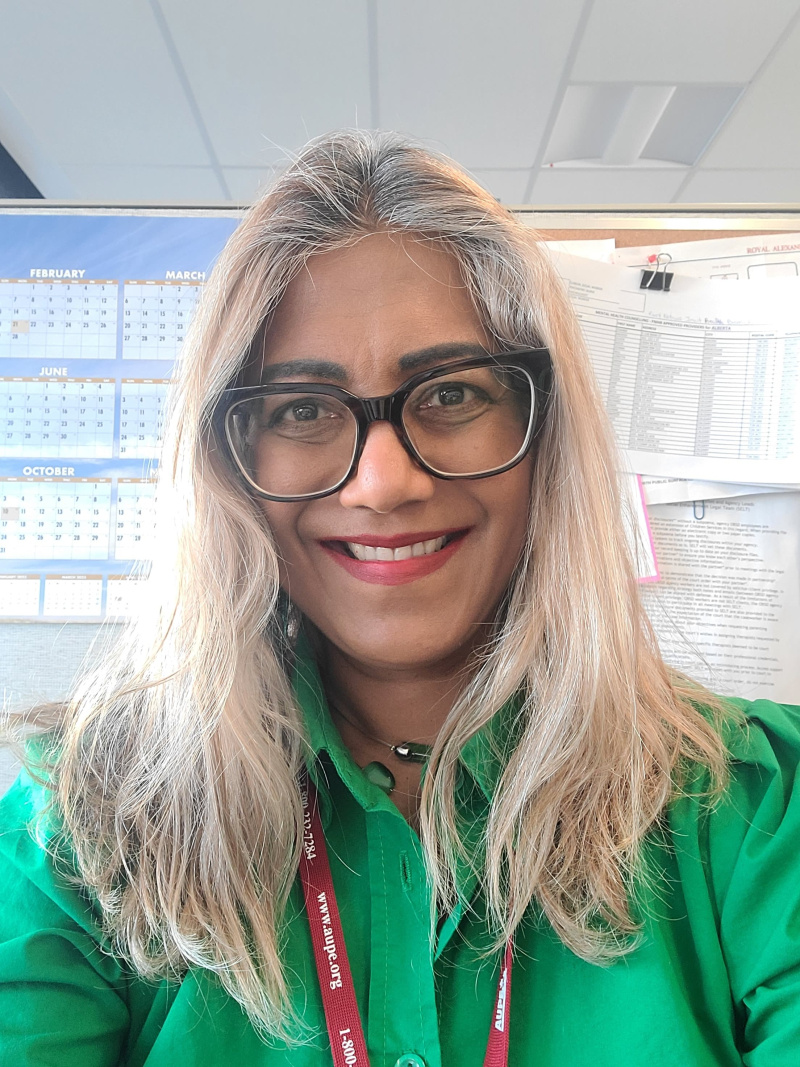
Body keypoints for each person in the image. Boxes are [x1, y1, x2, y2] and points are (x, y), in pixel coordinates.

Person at [1, 130, 798, 1067]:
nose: (382, 482)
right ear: (231, 463)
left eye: (452, 393)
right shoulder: (85, 827)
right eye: (301, 408)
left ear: (546, 435)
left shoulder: (751, 807)